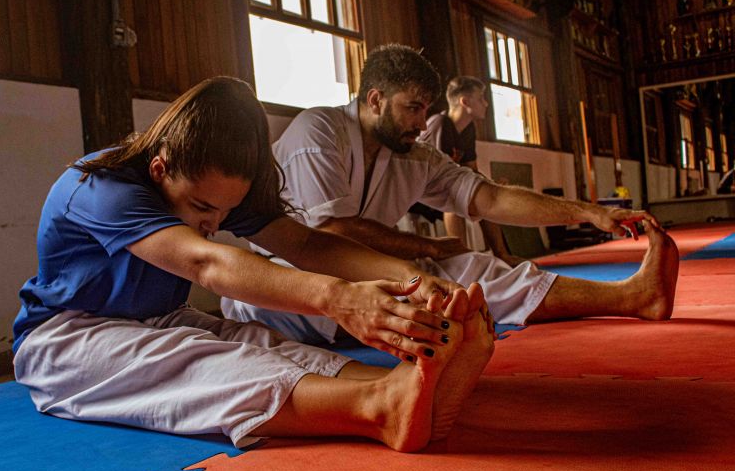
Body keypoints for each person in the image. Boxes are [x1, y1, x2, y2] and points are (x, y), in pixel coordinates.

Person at [12, 77, 495, 453]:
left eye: (225, 213)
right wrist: (340, 299)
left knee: (260, 342)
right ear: (160, 169)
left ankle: (408, 385)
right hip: (65, 338)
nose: (213, 223)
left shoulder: (208, 189)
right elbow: (206, 263)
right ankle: (378, 408)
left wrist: (412, 278)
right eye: (203, 209)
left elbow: (306, 244)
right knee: (204, 362)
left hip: (160, 318)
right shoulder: (101, 186)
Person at [222, 44, 679, 346]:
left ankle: (631, 297)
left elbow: (490, 198)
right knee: (435, 268)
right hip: (289, 286)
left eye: (427, 110)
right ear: (375, 99)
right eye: (412, 108)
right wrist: (426, 247)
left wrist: (588, 213)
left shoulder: (414, 155)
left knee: (470, 269)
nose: (423, 123)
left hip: (373, 278)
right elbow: (332, 232)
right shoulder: (318, 131)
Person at [417, 76, 527, 267]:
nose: (486, 103)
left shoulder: (468, 129)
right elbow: (442, 178)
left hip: (442, 188)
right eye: (481, 98)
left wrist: (491, 186)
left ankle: (501, 254)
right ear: (465, 102)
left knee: (484, 193)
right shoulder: (440, 123)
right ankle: (461, 259)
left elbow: (472, 170)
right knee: (456, 195)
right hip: (419, 193)